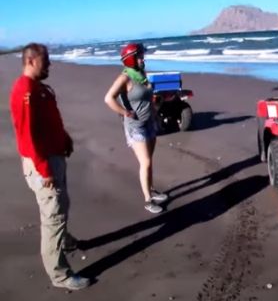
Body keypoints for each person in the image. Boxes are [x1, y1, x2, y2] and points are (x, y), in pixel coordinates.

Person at [9, 43, 91, 290]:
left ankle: (63, 239)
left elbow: (49, 122)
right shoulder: (25, 91)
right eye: (46, 60)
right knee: (53, 215)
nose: (50, 64)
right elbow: (28, 137)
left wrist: (64, 138)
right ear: (31, 61)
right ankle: (60, 275)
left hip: (54, 157)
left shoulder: (39, 89)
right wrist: (45, 170)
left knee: (61, 204)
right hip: (42, 163)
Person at [103, 43, 167, 214]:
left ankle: (151, 188)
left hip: (149, 122)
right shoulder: (125, 78)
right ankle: (148, 200)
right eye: (139, 56)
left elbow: (147, 99)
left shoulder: (141, 74)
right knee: (145, 162)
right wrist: (125, 112)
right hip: (135, 126)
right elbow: (108, 98)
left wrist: (156, 116)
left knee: (149, 161)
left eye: (142, 56)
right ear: (131, 58)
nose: (142, 58)